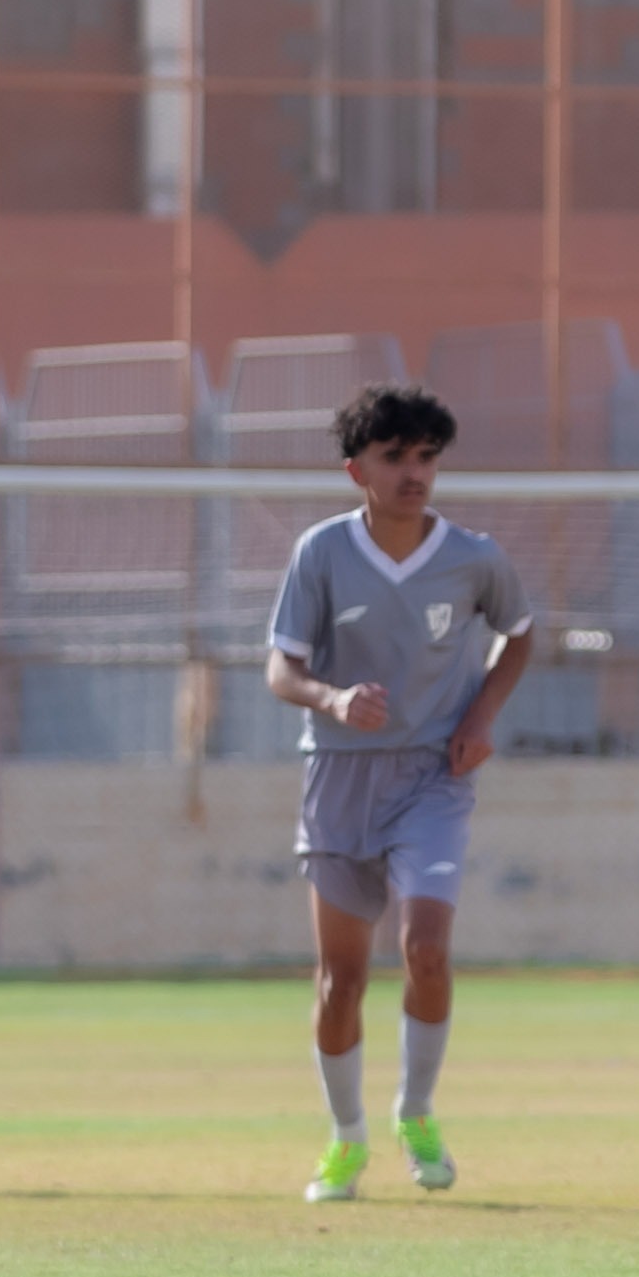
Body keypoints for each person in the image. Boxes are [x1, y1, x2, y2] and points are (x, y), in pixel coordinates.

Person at [265, 383, 535, 1201]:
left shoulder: (473, 557)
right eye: (395, 458)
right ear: (358, 470)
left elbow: (520, 637)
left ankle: (415, 1111)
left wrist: (482, 712)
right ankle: (345, 1140)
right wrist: (333, 699)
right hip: (341, 777)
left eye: (426, 457)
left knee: (425, 948)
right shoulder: (320, 553)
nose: (414, 473)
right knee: (340, 979)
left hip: (432, 777)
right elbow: (281, 668)